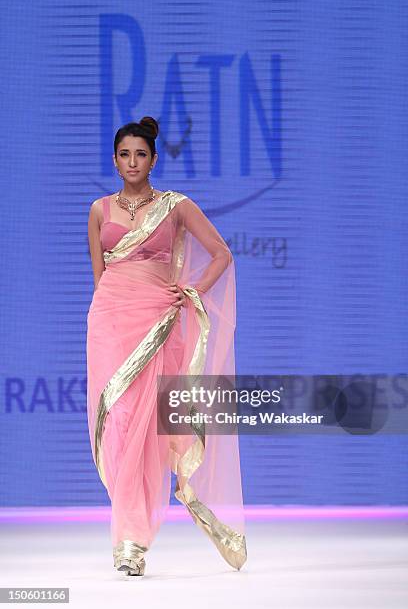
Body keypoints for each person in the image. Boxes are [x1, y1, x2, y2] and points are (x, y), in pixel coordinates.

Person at [86, 117, 247, 576]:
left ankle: (132, 543)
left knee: (146, 427)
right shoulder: (99, 209)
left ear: (153, 159)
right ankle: (128, 531)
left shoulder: (175, 206)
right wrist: (106, 314)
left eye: (140, 154)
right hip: (108, 323)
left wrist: (191, 291)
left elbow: (221, 253)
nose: (132, 162)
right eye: (123, 154)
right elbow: (100, 276)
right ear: (114, 160)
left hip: (156, 320)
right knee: (117, 424)